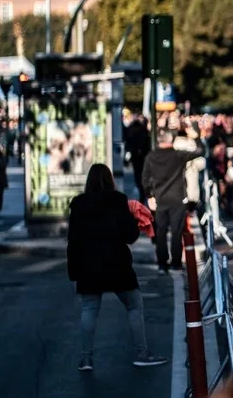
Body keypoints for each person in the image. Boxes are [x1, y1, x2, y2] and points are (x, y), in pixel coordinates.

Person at [67, 164, 167, 371]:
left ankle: (86, 359)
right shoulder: (118, 201)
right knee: (134, 305)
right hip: (117, 263)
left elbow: (73, 242)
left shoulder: (78, 204)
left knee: (89, 310)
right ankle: (141, 353)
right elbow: (130, 236)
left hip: (88, 266)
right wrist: (134, 219)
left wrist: (73, 273)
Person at [142, 127, 205, 272]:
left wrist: (149, 196)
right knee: (176, 232)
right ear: (171, 140)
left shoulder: (151, 157)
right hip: (177, 198)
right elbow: (201, 151)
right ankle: (176, 263)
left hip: (159, 199)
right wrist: (196, 136)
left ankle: (162, 263)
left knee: (161, 232)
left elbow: (145, 179)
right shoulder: (178, 155)